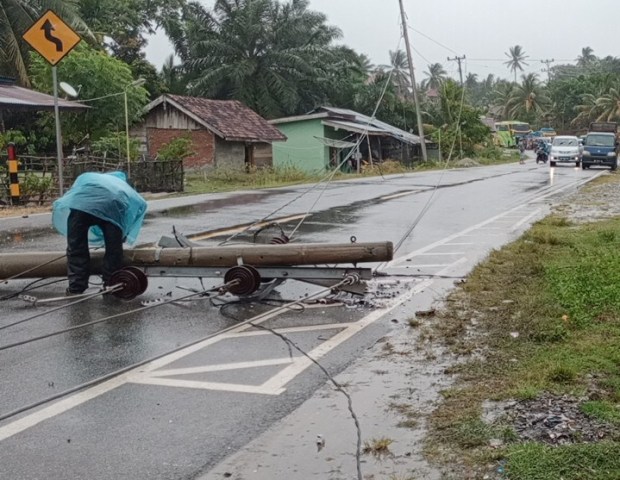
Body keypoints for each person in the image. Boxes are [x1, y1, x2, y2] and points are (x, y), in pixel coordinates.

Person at [52, 171, 147, 295]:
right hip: (112, 206)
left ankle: (76, 287)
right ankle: (111, 286)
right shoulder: (122, 187)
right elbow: (139, 206)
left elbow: (74, 192)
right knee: (113, 251)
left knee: (76, 247)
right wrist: (122, 235)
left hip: (81, 205)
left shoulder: (89, 178)